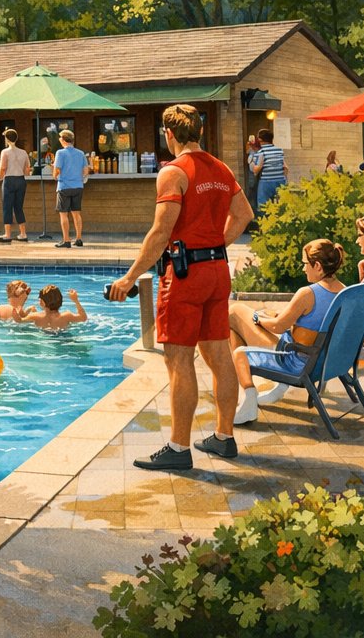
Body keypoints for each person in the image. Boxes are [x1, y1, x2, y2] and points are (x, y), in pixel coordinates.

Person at [108, 103, 253, 471]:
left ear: (169, 134)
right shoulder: (221, 169)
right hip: (218, 270)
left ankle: (178, 448)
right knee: (219, 354)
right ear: (200, 132)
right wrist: (216, 244)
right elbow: (245, 215)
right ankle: (224, 437)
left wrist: (128, 278)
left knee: (178, 360)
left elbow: (160, 232)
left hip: (186, 276)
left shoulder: (173, 172)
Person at [227, 239, 346, 425]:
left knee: (234, 316)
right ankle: (252, 393)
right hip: (321, 361)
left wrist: (259, 319)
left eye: (305, 264)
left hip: (293, 361)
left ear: (318, 266)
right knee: (238, 322)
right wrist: (275, 316)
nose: (303, 269)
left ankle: (248, 400)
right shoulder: (344, 292)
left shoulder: (308, 293)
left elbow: (277, 327)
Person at [52, 129, 90, 247]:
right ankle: (78, 239)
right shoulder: (80, 153)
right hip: (78, 186)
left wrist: (55, 176)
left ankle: (66, 240)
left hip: (64, 187)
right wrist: (77, 178)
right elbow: (85, 170)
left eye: (60, 138)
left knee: (63, 214)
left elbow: (57, 169)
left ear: (63, 140)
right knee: (76, 213)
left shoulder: (60, 153)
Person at [0, 128, 31, 242]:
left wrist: (0, 176)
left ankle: (7, 234)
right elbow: (27, 169)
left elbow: (3, 167)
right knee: (18, 207)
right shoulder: (23, 152)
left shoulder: (5, 152)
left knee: (7, 207)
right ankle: (23, 233)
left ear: (7, 139)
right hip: (21, 180)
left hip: (9, 180)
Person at [248, 127, 288, 212]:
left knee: (263, 207)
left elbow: (255, 170)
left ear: (260, 139)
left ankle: (265, 223)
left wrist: (251, 162)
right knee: (281, 207)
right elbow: (286, 168)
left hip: (266, 182)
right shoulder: (280, 151)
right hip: (280, 181)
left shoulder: (261, 153)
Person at [21, 286, 89, 332]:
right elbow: (83, 318)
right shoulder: (66, 316)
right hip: (63, 337)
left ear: (42, 303)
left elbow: (18, 320)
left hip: (44, 337)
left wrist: (23, 300)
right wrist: (76, 300)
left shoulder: (35, 316)